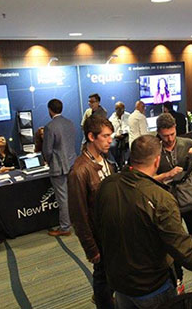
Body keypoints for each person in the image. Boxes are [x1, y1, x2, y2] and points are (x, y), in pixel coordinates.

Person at [94, 135, 192, 309]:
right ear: (157, 161)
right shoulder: (160, 198)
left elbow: (98, 228)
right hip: (152, 286)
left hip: (120, 283)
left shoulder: (107, 185)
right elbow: (183, 250)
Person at [152, 113, 192, 294]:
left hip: (191, 201)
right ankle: (178, 279)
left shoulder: (188, 144)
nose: (170, 139)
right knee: (173, 244)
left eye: (172, 134)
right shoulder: (153, 149)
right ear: (158, 133)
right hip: (167, 205)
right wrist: (166, 175)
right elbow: (145, 179)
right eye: (165, 136)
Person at [68, 116, 115, 309]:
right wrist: (90, 248)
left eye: (110, 135)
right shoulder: (79, 171)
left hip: (111, 232)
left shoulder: (105, 160)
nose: (110, 140)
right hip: (98, 236)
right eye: (105, 136)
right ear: (91, 136)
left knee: (110, 273)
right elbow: (78, 215)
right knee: (102, 275)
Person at [43, 99, 77, 237]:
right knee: (72, 196)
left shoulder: (50, 127)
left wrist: (50, 161)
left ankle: (65, 227)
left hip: (58, 167)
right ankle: (72, 222)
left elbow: (47, 150)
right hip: (72, 164)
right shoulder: (70, 123)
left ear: (50, 110)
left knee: (62, 198)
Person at [108, 102, 130, 170]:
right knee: (112, 146)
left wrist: (125, 132)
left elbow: (131, 126)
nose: (120, 110)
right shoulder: (111, 119)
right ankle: (119, 163)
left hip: (127, 136)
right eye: (118, 109)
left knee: (133, 145)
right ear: (115, 109)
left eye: (122, 109)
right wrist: (116, 135)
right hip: (116, 137)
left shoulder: (128, 116)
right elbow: (109, 131)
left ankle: (128, 163)